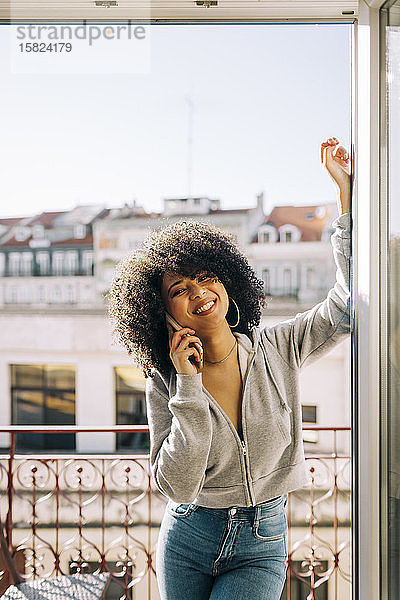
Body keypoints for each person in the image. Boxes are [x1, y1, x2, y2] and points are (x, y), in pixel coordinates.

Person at [108, 136, 352, 599]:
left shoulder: (279, 346)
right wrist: (188, 384)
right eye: (179, 288)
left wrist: (346, 200)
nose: (198, 292)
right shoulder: (166, 381)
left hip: (262, 541)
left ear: (226, 280)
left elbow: (345, 310)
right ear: (162, 313)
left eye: (206, 277)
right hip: (188, 538)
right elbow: (176, 484)